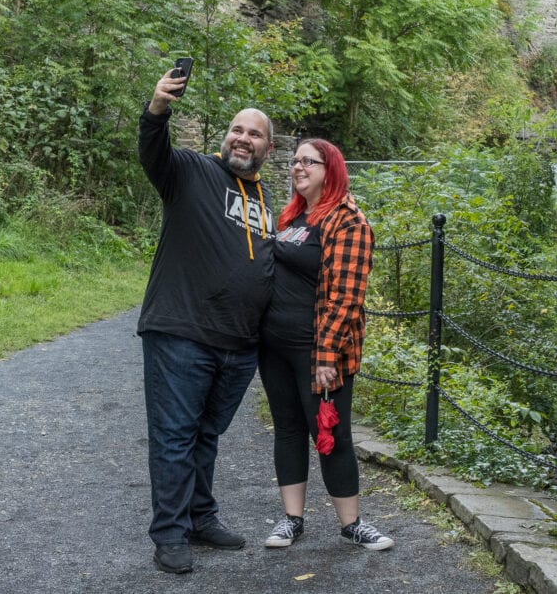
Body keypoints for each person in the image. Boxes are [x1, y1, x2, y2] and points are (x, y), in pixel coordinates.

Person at [137, 66, 275, 574]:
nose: (243, 138)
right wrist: (158, 107)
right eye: (237, 129)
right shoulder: (190, 171)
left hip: (238, 345)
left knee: (205, 435)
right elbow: (152, 151)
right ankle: (170, 534)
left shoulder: (265, 202)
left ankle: (200, 516)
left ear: (268, 149)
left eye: (254, 133)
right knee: (174, 435)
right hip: (181, 332)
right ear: (226, 137)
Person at [257, 138, 392, 551]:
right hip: (274, 346)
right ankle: (291, 520)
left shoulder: (347, 220)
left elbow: (346, 297)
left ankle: (351, 525)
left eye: (308, 162)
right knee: (288, 430)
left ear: (329, 169)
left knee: (331, 434)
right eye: (295, 161)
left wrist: (327, 357)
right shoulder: (295, 217)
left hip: (317, 353)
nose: (298, 167)